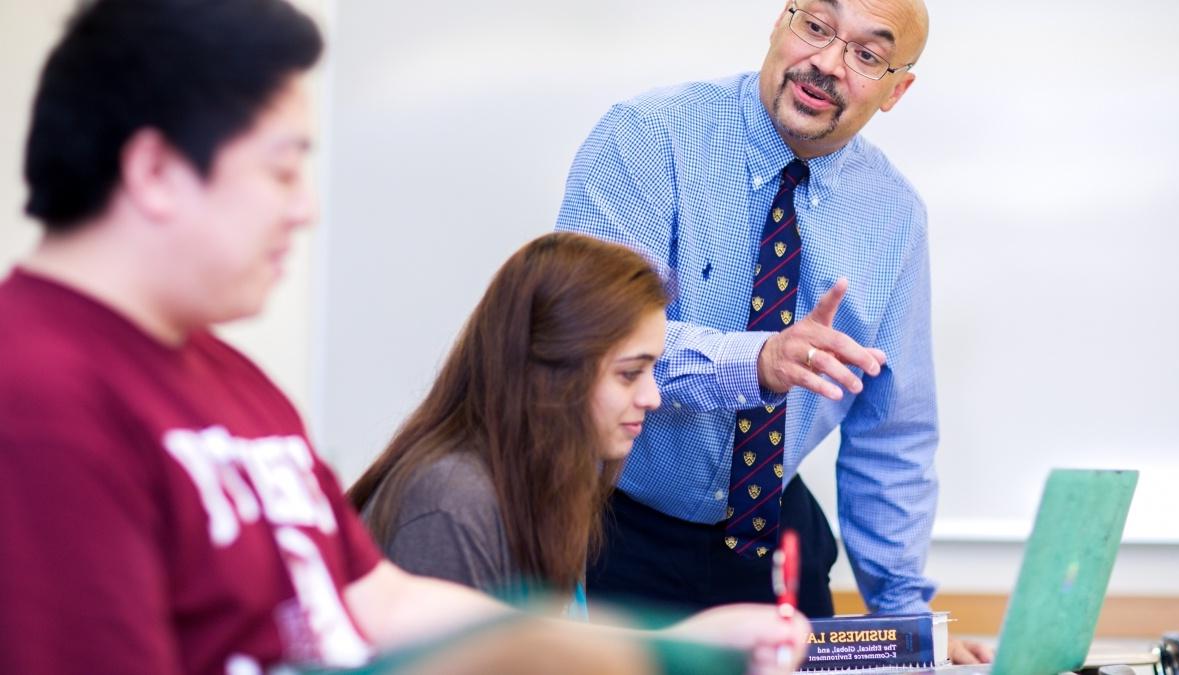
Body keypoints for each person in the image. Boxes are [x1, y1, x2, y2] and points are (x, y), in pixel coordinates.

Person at [0, 1, 805, 673]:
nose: (305, 207)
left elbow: (379, 600)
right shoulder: (39, 397)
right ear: (154, 171)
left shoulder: (233, 382)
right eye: (281, 170)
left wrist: (670, 645)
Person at [555, 0, 992, 663]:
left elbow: (893, 433)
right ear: (779, 23)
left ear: (896, 90)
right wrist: (757, 359)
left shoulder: (894, 216)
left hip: (775, 541)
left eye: (867, 55)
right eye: (815, 26)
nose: (826, 63)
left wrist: (906, 619)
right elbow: (595, 343)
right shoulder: (647, 137)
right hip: (615, 529)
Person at [348, 232, 666, 619]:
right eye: (630, 373)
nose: (653, 397)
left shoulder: (548, 480)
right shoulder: (452, 503)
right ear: (551, 371)